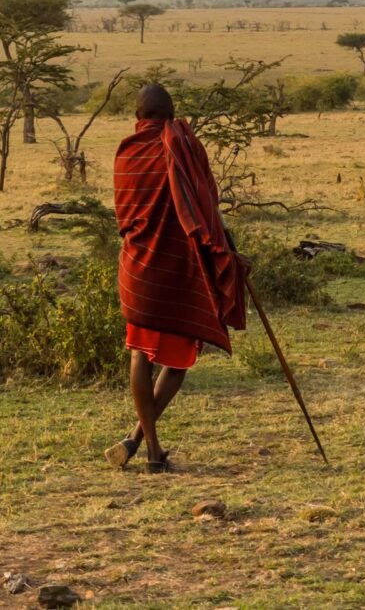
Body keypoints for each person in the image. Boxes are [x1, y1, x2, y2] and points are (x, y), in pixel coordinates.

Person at [105, 85, 247, 472]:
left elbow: (124, 213)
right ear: (170, 115)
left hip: (136, 267)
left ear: (138, 117)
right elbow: (203, 205)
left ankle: (141, 442)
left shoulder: (126, 152)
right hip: (173, 268)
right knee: (180, 360)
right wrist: (226, 247)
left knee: (140, 352)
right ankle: (150, 450)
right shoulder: (178, 145)